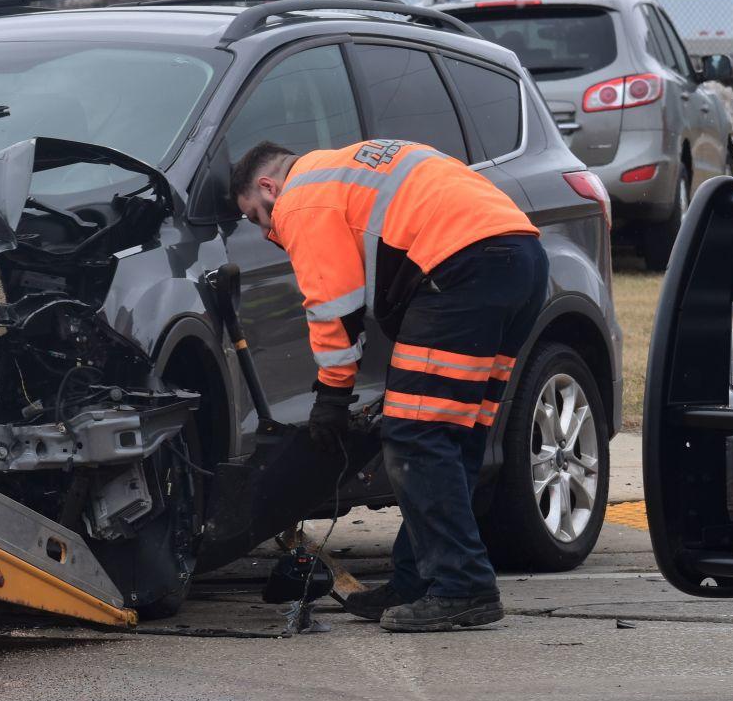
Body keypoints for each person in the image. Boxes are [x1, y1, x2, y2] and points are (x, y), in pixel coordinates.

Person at [231, 138, 548, 632]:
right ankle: (418, 579)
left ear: (268, 186)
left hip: (463, 266)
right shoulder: (348, 166)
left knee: (416, 435)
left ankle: (462, 587)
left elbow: (333, 303)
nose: (268, 228)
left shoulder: (302, 196)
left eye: (256, 215)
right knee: (454, 433)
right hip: (520, 259)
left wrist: (332, 396)